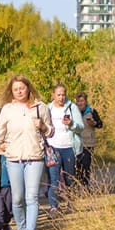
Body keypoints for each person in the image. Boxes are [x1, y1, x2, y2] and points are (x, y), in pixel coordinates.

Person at [0, 74, 53, 230]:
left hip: (35, 157)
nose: (19, 91)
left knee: (31, 197)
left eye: (21, 88)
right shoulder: (7, 109)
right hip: (13, 159)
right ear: (11, 91)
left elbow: (51, 132)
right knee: (17, 199)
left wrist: (43, 126)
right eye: (15, 89)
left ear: (28, 88)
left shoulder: (41, 107)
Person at [43, 83, 82, 212]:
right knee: (53, 179)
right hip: (52, 148)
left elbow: (80, 127)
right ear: (53, 95)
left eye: (63, 94)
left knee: (69, 177)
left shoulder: (72, 107)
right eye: (58, 95)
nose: (61, 97)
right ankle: (53, 207)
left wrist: (71, 124)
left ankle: (71, 203)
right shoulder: (47, 109)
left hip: (69, 147)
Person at [73, 91, 103, 186]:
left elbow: (100, 124)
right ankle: (78, 186)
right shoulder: (73, 112)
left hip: (88, 143)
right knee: (76, 166)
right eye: (78, 101)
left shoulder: (92, 111)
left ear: (86, 101)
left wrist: (94, 123)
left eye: (82, 101)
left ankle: (85, 186)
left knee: (86, 166)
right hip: (76, 143)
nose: (80, 103)